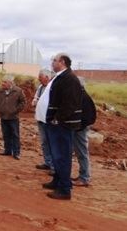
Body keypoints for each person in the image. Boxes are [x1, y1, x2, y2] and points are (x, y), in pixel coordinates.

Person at [42, 53, 82, 200]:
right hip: (56, 123)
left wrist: (58, 119)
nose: (52, 62)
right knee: (56, 154)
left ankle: (64, 189)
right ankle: (57, 181)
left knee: (62, 156)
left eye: (54, 60)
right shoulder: (60, 77)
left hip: (63, 124)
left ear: (63, 62)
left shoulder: (70, 79)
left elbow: (70, 103)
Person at [0, 75, 26, 160]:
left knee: (15, 135)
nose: (2, 84)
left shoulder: (18, 91)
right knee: (6, 134)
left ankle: (16, 153)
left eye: (4, 82)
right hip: (3, 117)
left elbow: (23, 102)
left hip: (13, 117)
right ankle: (7, 150)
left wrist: (16, 110)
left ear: (10, 83)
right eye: (2, 82)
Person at [72, 77, 96, 187]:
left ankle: (84, 178)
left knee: (82, 153)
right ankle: (83, 175)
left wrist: (80, 127)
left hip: (80, 130)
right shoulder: (80, 96)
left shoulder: (84, 98)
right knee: (80, 153)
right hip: (78, 128)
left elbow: (90, 117)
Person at [32, 69, 54, 172]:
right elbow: (35, 98)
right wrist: (35, 101)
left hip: (49, 119)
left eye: (40, 77)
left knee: (51, 142)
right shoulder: (41, 87)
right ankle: (47, 162)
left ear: (47, 77)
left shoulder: (53, 88)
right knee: (44, 142)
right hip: (40, 118)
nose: (39, 79)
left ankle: (54, 166)